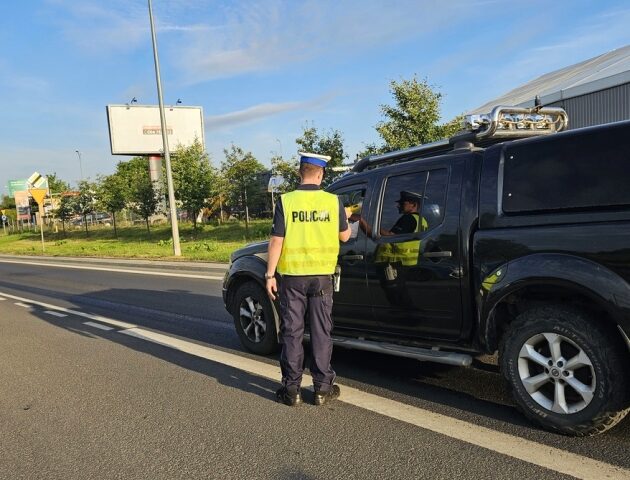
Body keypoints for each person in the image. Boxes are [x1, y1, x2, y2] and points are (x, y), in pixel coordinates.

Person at [265, 152, 351, 407]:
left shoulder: (286, 201)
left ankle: (292, 390)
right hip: (322, 278)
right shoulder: (333, 201)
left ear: (299, 172)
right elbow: (345, 237)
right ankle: (323, 389)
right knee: (321, 332)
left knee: (292, 331)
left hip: (292, 278)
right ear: (321, 174)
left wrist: (270, 274)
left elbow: (276, 240)